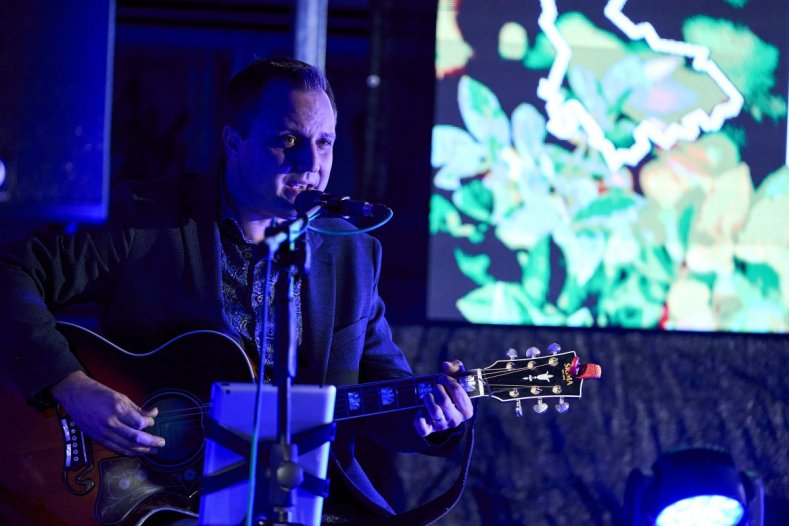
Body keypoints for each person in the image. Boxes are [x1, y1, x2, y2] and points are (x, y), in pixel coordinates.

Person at [0, 57, 473, 525]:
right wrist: (69, 384)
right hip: (147, 493)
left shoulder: (352, 256)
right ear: (234, 141)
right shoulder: (147, 219)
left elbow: (380, 388)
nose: (312, 163)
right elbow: (9, 270)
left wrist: (432, 419)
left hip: (307, 497)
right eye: (288, 140)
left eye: (324, 142)